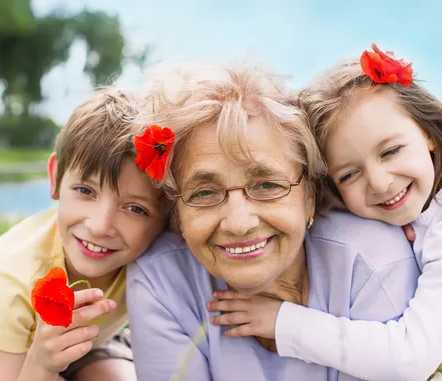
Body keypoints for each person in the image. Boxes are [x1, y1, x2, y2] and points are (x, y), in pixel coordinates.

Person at [210, 44, 442, 380]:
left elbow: (408, 360)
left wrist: (283, 321)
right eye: (349, 174)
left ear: (428, 133)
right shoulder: (423, 209)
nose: (380, 183)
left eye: (391, 151)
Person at [126, 60, 421, 381]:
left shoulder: (371, 263)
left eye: (267, 185)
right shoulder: (162, 281)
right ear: (178, 211)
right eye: (204, 193)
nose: (239, 224)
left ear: (309, 195)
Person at [0, 88, 169, 381]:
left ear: (167, 218)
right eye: (85, 191)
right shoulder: (9, 276)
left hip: (90, 339)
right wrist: (42, 366)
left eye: (134, 208)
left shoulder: (156, 258)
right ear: (56, 177)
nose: (100, 226)